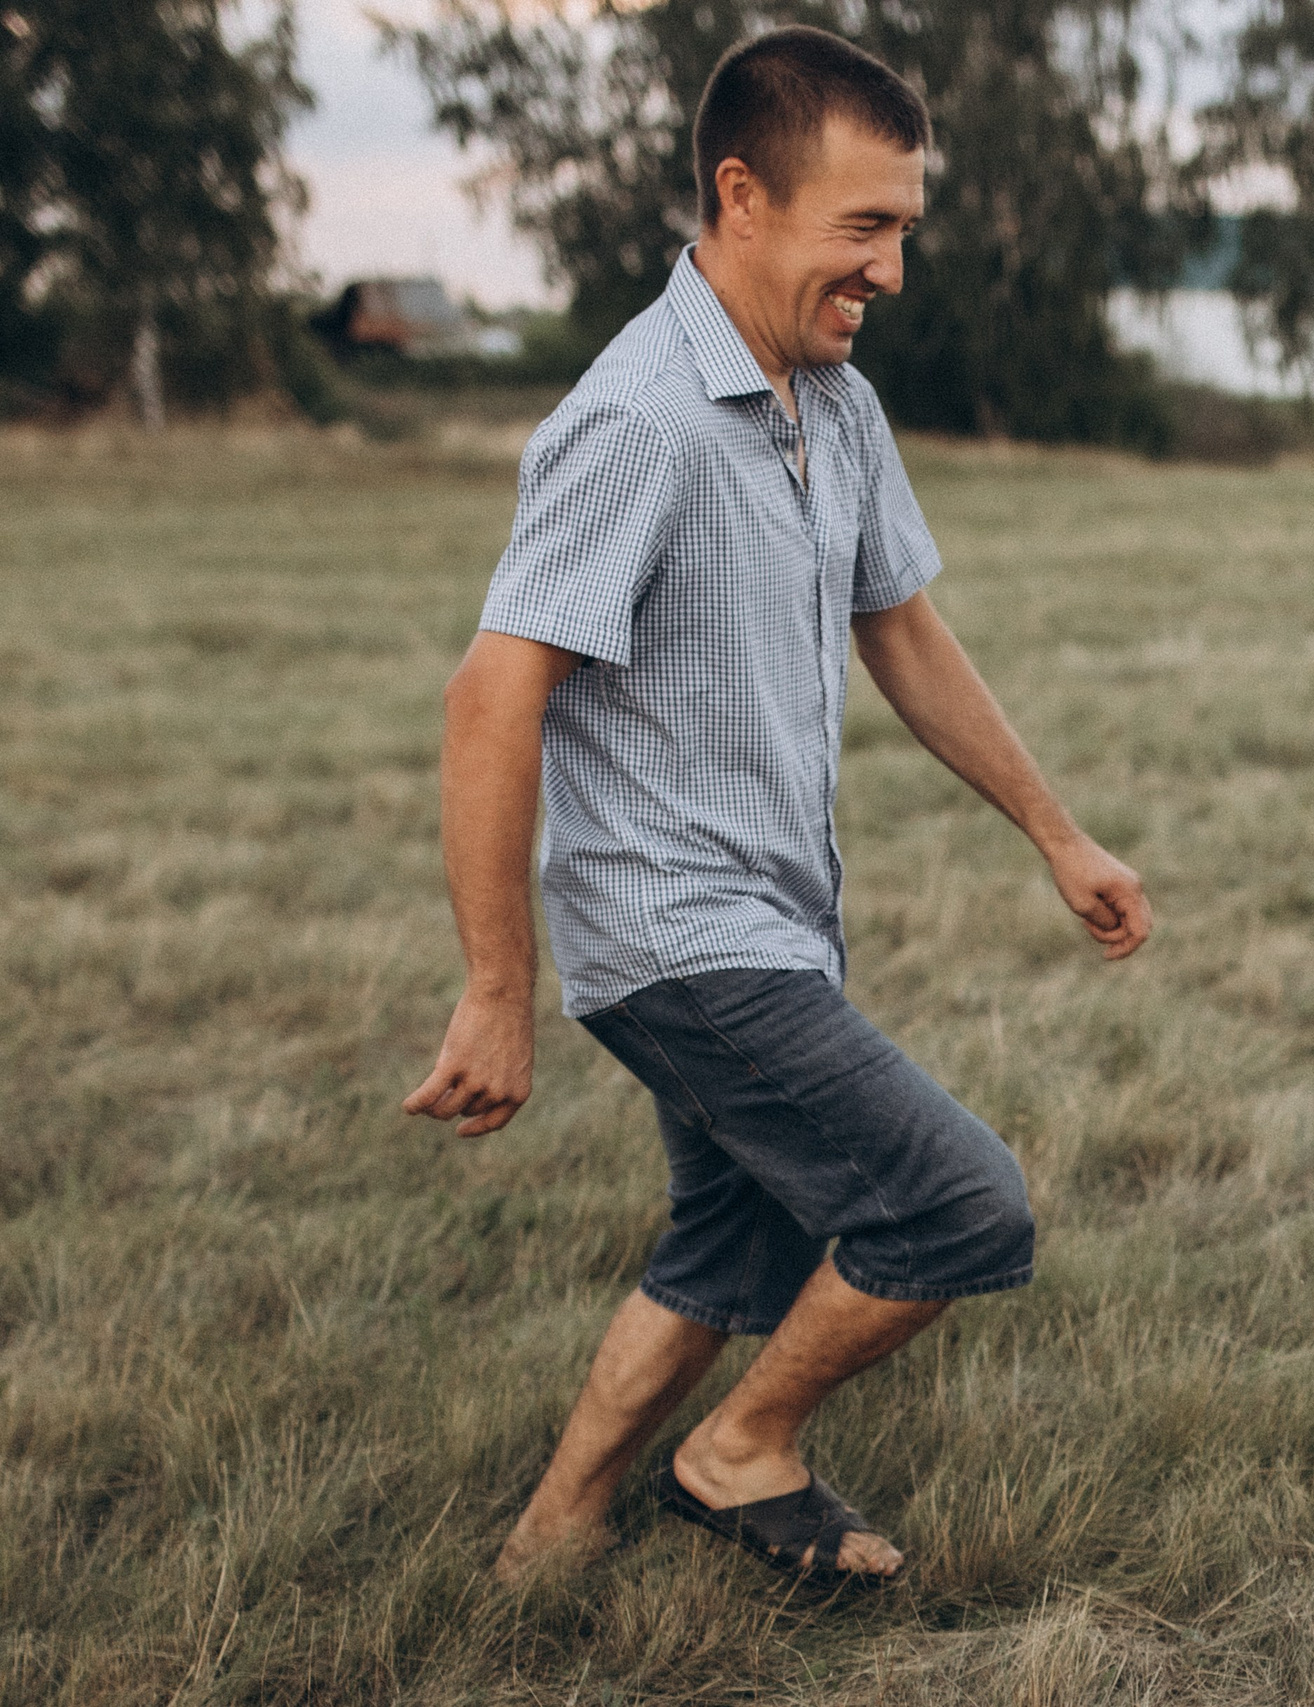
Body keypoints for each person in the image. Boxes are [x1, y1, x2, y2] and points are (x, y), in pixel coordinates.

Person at [401, 26, 1152, 1587]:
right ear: (742, 197)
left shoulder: (833, 401)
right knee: (956, 1204)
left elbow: (907, 631)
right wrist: (494, 988)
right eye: (862, 228)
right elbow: (492, 693)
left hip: (772, 915)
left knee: (728, 1242)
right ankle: (739, 1449)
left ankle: (541, 1548)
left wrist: (1057, 831)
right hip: (673, 930)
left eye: (901, 230)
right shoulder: (640, 419)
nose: (888, 268)